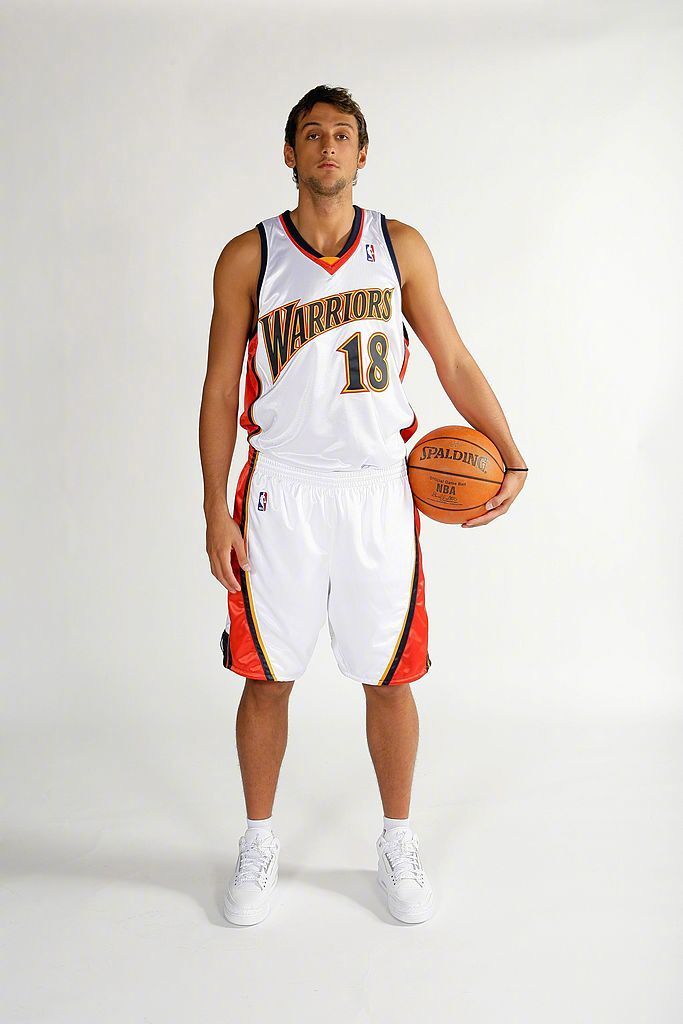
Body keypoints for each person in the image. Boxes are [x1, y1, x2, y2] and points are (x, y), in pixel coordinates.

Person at [199, 84, 527, 927]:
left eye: (341, 134)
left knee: (389, 678)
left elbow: (452, 359)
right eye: (311, 135)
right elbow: (218, 390)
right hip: (279, 488)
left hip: (380, 488)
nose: (327, 148)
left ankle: (396, 840)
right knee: (266, 677)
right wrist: (213, 509)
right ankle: (258, 840)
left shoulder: (398, 246)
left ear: (362, 152)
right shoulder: (248, 256)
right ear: (289, 153)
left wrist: (509, 450)